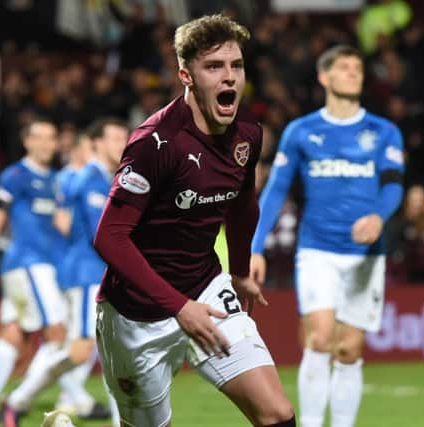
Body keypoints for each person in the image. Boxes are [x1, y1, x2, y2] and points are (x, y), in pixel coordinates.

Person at [93, 14, 295, 427]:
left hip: (206, 289)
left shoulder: (247, 136)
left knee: (276, 413)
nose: (229, 78)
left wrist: (238, 272)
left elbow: (242, 205)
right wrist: (178, 307)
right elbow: (110, 237)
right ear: (186, 75)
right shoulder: (155, 143)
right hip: (137, 313)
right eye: (214, 67)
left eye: (236, 66)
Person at [250, 45, 405, 427]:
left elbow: (393, 186)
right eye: (345, 68)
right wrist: (254, 247)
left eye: (358, 68)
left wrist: (379, 216)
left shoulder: (384, 131)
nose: (354, 73)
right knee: (319, 340)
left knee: (349, 350)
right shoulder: (302, 131)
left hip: (366, 255)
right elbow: (275, 191)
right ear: (325, 77)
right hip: (317, 249)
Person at [2, 119, 129, 427]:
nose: (121, 144)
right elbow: (103, 233)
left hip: (99, 274)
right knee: (80, 350)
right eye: (114, 138)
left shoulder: (112, 179)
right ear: (95, 143)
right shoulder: (90, 179)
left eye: (124, 138)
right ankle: (19, 399)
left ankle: (121, 421)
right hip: (89, 276)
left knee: (113, 353)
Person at [0, 118, 69, 423]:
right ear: (27, 142)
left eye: (51, 138)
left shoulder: (55, 179)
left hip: (40, 266)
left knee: (16, 333)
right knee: (58, 333)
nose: (47, 144)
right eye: (40, 138)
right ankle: (18, 400)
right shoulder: (14, 176)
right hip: (27, 264)